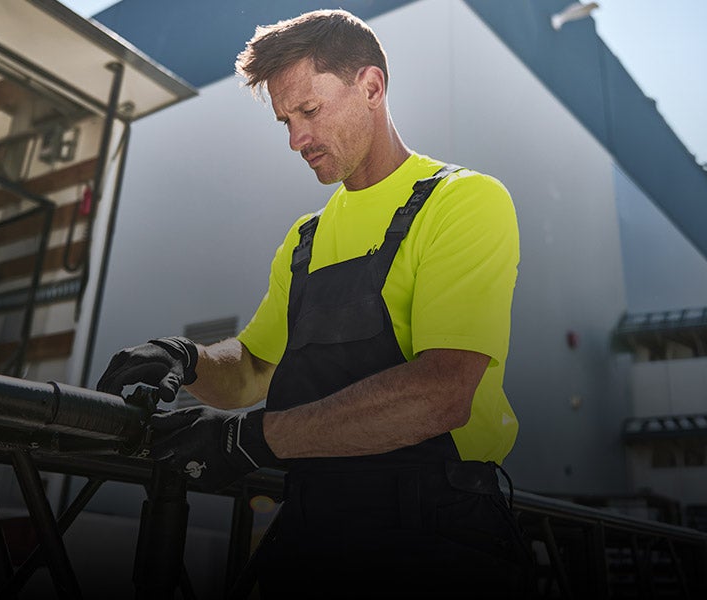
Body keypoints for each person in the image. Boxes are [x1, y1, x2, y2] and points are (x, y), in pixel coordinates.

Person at [97, 9, 531, 598]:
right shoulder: (306, 239)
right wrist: (187, 358)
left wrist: (256, 438)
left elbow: (441, 393)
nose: (297, 140)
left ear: (371, 87)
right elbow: (252, 368)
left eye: (310, 111)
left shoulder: (462, 202)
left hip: (439, 535)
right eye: (285, 121)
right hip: (315, 523)